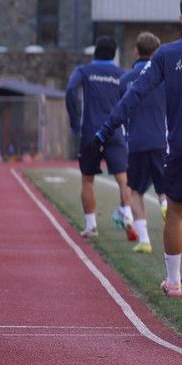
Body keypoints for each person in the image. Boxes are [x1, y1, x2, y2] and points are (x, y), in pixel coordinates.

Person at [93, 0, 182, 298]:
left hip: (180, 146)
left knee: (175, 211)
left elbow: (135, 94)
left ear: (181, 19)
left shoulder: (167, 54)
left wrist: (106, 129)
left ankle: (174, 282)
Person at [66, 36, 128, 238]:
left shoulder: (84, 70)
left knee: (87, 179)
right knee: (123, 178)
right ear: (114, 54)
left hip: (91, 132)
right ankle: (128, 216)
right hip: (115, 131)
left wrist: (75, 123)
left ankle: (91, 226)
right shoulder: (121, 74)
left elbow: (70, 91)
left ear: (95, 51)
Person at [115, 32, 165, 254]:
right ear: (157, 51)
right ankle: (164, 205)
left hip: (136, 141)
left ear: (136, 51)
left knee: (135, 191)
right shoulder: (163, 77)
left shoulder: (125, 80)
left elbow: (121, 111)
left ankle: (144, 240)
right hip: (161, 140)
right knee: (165, 188)